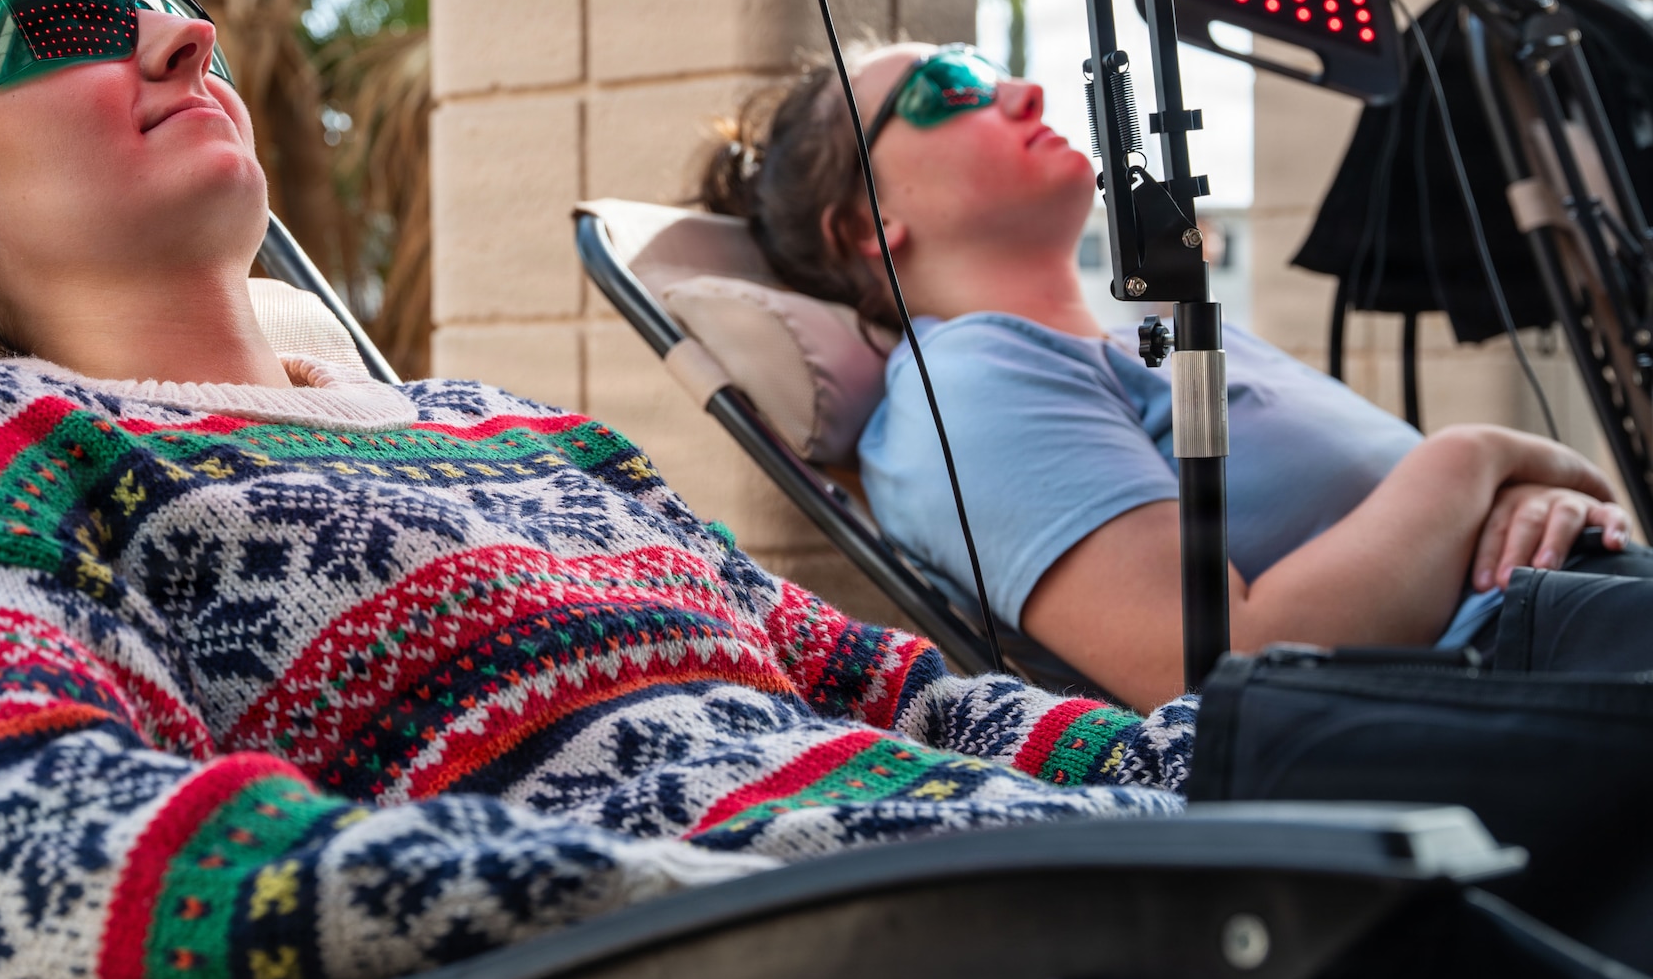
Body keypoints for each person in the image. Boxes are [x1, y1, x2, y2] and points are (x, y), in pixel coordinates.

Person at [0, 0, 1197, 979]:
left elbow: (887, 690)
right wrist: (684, 907)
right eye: (67, 22)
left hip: (1105, 873)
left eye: (170, 6)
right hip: (877, 958)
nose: (186, 37)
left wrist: (1218, 757)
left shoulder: (515, 429)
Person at [700, 42, 1640, 712]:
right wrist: (1478, 458)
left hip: (1575, 628)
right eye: (953, 87)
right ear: (867, 225)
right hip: (1523, 694)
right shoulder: (969, 387)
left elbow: (1417, 519)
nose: (1024, 90)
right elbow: (1224, 669)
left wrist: (1539, 499)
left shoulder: (1156, 337)